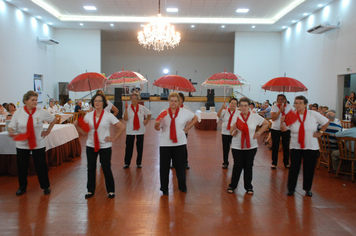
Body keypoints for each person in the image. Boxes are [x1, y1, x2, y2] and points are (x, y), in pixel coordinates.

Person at [75, 93, 125, 199]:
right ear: (93, 103)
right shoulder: (88, 115)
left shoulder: (108, 115)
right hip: (91, 145)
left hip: (105, 146)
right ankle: (90, 190)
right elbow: (84, 132)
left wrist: (114, 138)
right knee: (91, 168)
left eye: (99, 101)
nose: (97, 103)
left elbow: (121, 127)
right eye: (95, 101)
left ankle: (111, 190)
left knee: (106, 168)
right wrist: (77, 126)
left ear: (104, 103)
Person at [8, 91, 57, 196]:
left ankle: (45, 186)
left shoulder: (40, 112)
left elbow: (54, 119)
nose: (35, 102)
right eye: (32, 100)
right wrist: (11, 131)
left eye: (36, 100)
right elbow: (11, 126)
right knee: (22, 166)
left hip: (38, 142)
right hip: (22, 143)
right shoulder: (18, 112)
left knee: (41, 165)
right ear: (26, 101)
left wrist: (47, 131)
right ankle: (22, 187)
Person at [282, 95, 329, 197]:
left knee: (309, 168)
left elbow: (326, 122)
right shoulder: (292, 115)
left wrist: (320, 132)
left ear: (305, 104)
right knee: (294, 168)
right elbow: (284, 129)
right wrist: (282, 121)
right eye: (296, 103)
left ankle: (307, 188)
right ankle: (291, 189)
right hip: (296, 146)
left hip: (311, 146)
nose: (298, 105)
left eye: (300, 103)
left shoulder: (313, 114)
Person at [154, 92, 198, 195]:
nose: (173, 103)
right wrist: (156, 125)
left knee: (180, 167)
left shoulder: (185, 112)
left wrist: (187, 128)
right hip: (165, 144)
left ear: (179, 102)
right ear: (168, 101)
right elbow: (157, 128)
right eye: (171, 101)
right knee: (164, 167)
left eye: (175, 101)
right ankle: (164, 188)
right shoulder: (163, 113)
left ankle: (182, 186)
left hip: (180, 144)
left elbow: (195, 118)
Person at [227, 97, 269, 194]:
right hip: (237, 146)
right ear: (239, 106)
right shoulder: (236, 116)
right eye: (241, 105)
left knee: (248, 166)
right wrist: (233, 131)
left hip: (251, 146)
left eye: (245, 105)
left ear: (249, 106)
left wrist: (258, 133)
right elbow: (231, 132)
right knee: (237, 165)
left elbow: (266, 123)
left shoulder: (254, 116)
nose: (243, 107)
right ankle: (232, 185)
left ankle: (248, 187)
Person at [123, 93, 152, 168]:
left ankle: (139, 163)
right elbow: (125, 118)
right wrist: (125, 109)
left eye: (135, 98)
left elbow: (149, 113)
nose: (133, 100)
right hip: (130, 130)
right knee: (129, 147)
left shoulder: (142, 108)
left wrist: (147, 121)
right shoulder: (128, 107)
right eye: (132, 98)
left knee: (139, 147)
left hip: (140, 130)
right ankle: (127, 163)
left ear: (138, 99)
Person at [270, 94, 293, 169]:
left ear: (285, 100)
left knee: (286, 146)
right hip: (276, 128)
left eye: (282, 99)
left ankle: (286, 162)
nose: (281, 101)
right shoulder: (274, 107)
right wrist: (280, 110)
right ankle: (274, 163)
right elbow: (273, 118)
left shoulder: (289, 107)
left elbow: (292, 118)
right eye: (279, 99)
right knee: (275, 146)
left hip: (286, 129)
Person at [217, 98, 239, 169]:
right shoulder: (225, 111)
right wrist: (221, 108)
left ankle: (236, 162)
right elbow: (218, 115)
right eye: (232, 103)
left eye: (235, 103)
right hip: (225, 133)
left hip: (234, 133)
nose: (233, 105)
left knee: (235, 148)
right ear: (229, 104)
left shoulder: (238, 112)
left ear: (236, 105)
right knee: (225, 148)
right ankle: (225, 162)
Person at [178, 92, 192, 169]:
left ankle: (185, 162)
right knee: (174, 147)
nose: (179, 100)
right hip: (175, 130)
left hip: (183, 130)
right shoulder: (173, 107)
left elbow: (192, 118)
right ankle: (174, 162)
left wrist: (187, 126)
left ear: (183, 100)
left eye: (180, 98)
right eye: (178, 98)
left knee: (183, 147)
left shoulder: (186, 108)